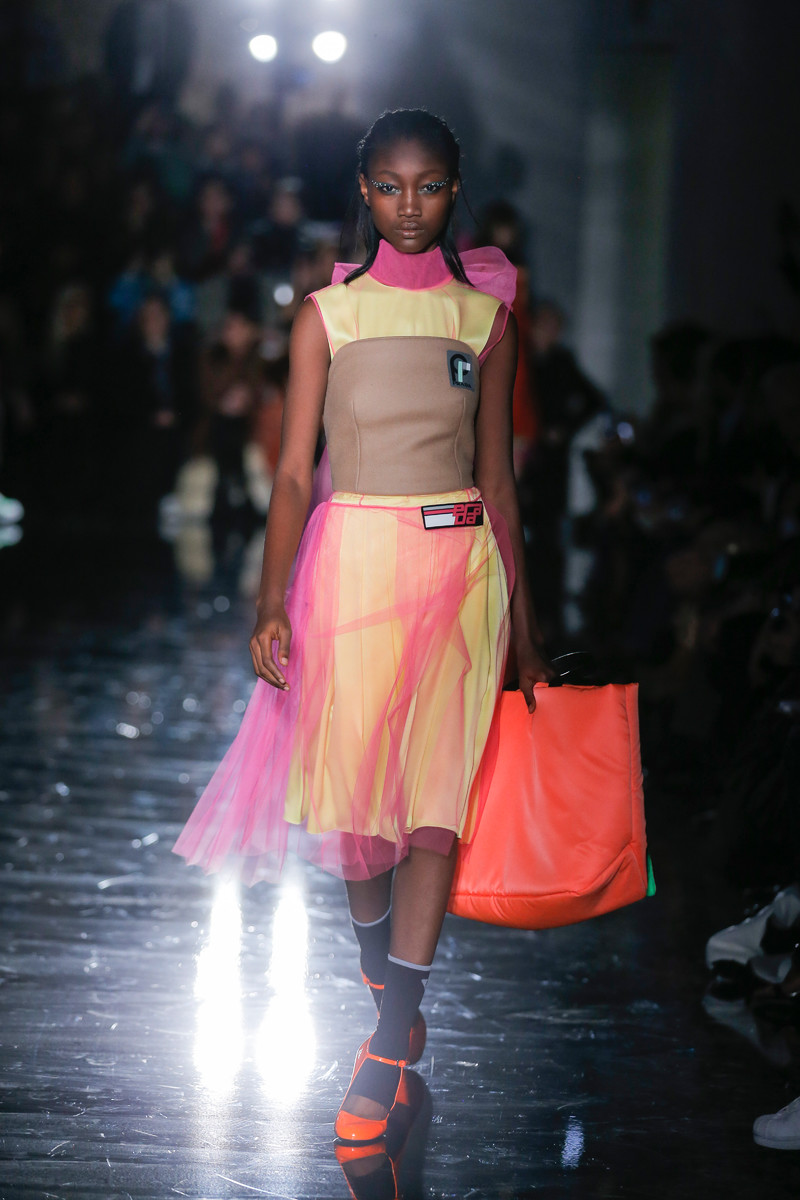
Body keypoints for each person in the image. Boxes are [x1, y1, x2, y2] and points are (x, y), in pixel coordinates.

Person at [172, 108, 553, 1142]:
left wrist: (524, 633)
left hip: (461, 573)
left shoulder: (486, 318)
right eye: (389, 186)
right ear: (363, 192)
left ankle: (388, 1041)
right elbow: (295, 473)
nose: (409, 206)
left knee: (431, 813)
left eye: (428, 186)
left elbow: (499, 483)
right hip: (350, 572)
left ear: (454, 188)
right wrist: (269, 599)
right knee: (361, 823)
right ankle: (387, 982)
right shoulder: (326, 317)